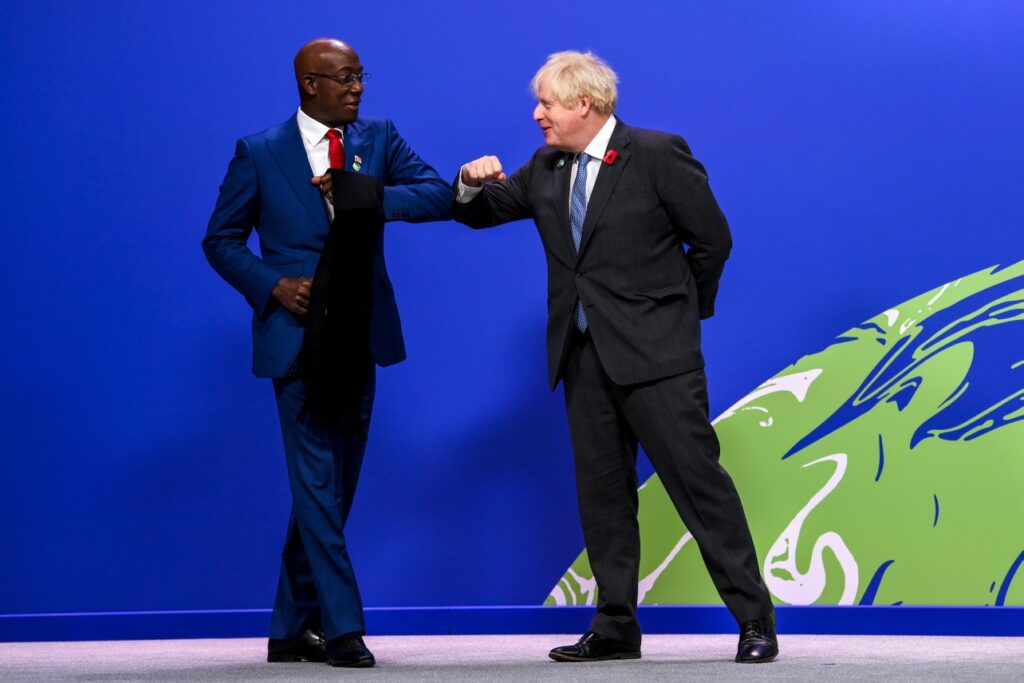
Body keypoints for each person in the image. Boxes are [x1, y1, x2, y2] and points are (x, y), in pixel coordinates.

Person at [453, 51, 778, 664]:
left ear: (585, 104)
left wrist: (681, 314)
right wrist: (470, 184)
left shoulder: (657, 153)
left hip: (659, 358)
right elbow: (484, 214)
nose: (537, 114)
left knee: (699, 488)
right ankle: (615, 627)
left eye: (547, 102)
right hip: (582, 358)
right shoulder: (546, 165)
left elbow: (712, 240)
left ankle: (755, 620)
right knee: (602, 498)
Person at [203, 38, 451, 668]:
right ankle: (341, 627)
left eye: (361, 76)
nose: (357, 88)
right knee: (316, 484)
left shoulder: (380, 137)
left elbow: (436, 194)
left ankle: (289, 629)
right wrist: (272, 285)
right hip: (296, 338)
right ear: (309, 85)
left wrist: (360, 195)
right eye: (343, 79)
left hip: (359, 334)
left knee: (334, 488)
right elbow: (222, 240)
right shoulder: (259, 152)